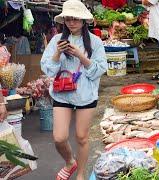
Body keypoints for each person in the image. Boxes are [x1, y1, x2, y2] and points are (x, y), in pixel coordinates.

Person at [40, 0, 108, 179]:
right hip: (62, 93)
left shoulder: (95, 42)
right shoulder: (56, 40)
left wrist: (80, 55)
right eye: (68, 19)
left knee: (82, 137)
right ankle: (70, 161)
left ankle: (81, 174)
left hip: (86, 94)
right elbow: (47, 69)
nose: (72, 22)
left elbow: (99, 70)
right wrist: (57, 54)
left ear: (84, 20)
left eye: (76, 19)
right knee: (59, 137)